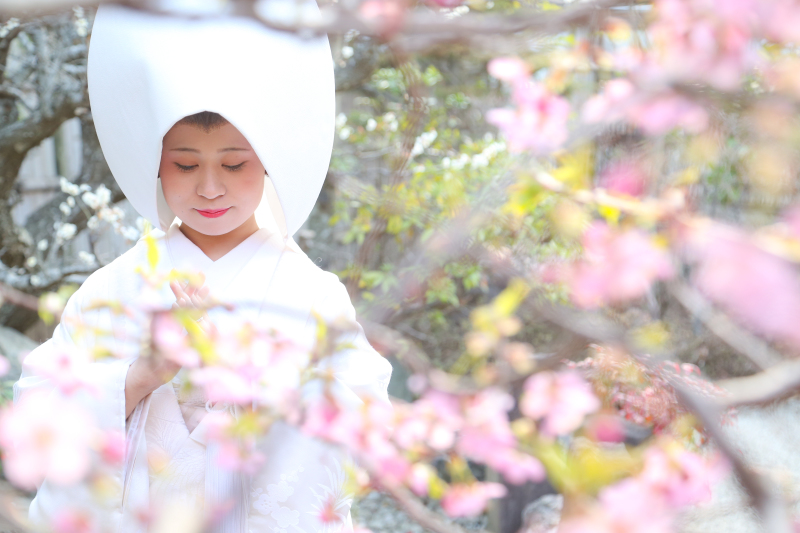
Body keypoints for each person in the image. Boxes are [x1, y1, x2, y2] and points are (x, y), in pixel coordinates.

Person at [13, 3, 393, 533]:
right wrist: (139, 377)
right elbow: (35, 421)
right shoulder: (113, 288)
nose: (209, 187)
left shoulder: (311, 294)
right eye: (185, 164)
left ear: (266, 163)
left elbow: (367, 438)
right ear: (157, 164)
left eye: (234, 164)